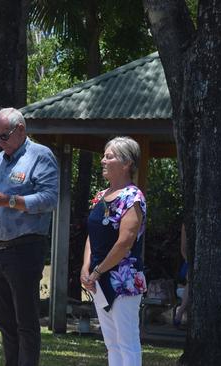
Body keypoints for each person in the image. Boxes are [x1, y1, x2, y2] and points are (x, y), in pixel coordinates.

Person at [0, 108, 59, 366]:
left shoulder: (40, 156)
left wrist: (10, 200)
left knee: (26, 321)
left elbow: (49, 199)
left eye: (4, 136)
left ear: (21, 130)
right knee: (4, 321)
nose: (0, 142)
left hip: (25, 248)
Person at [80, 136, 147, 366]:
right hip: (98, 278)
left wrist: (97, 271)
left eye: (109, 156)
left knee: (127, 341)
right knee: (111, 343)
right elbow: (93, 234)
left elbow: (125, 242)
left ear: (126, 163)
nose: (103, 161)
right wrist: (85, 268)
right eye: (104, 156)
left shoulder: (133, 197)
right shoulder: (101, 196)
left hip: (124, 282)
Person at [174, 224, 188, 327]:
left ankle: (180, 312)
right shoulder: (186, 224)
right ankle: (180, 312)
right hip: (189, 264)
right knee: (192, 282)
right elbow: (183, 249)